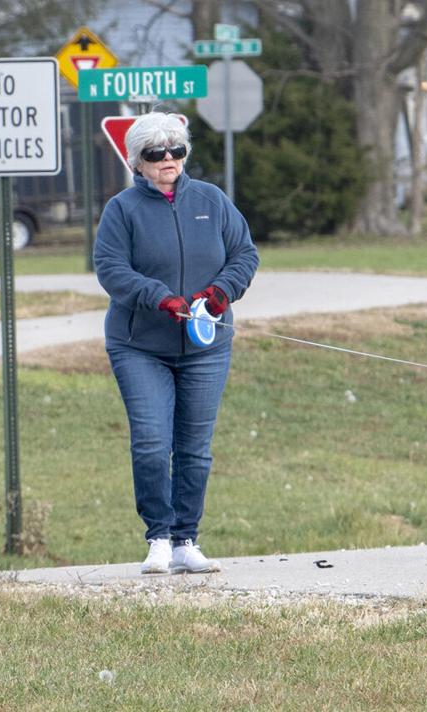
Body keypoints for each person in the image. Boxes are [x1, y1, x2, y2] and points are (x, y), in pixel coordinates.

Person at [92, 112, 259, 574]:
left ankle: (187, 539)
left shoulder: (212, 200)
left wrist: (220, 293)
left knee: (195, 448)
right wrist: (159, 298)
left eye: (176, 150)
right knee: (151, 442)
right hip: (139, 345)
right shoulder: (121, 210)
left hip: (207, 345)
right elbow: (111, 269)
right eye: (155, 153)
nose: (168, 159)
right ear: (137, 162)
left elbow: (245, 253)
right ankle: (159, 537)